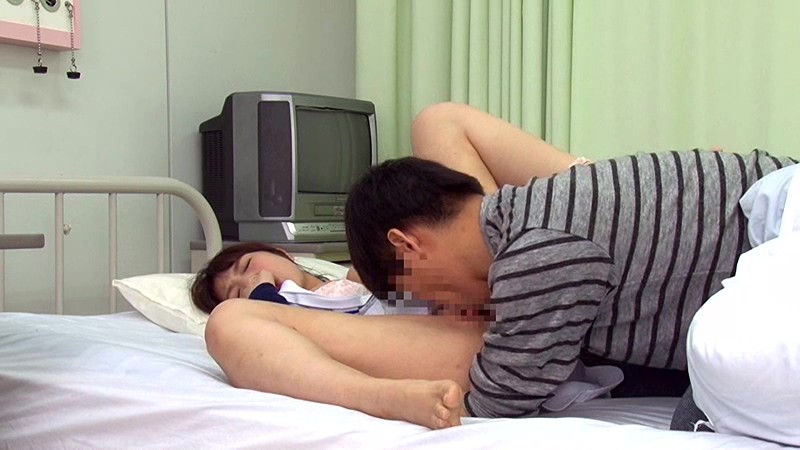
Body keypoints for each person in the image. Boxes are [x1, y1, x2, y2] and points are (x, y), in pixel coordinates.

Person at [190, 241, 369, 314]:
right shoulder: (272, 327)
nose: (251, 281)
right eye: (236, 293)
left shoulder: (356, 279)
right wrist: (264, 296)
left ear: (282, 253)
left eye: (247, 266)